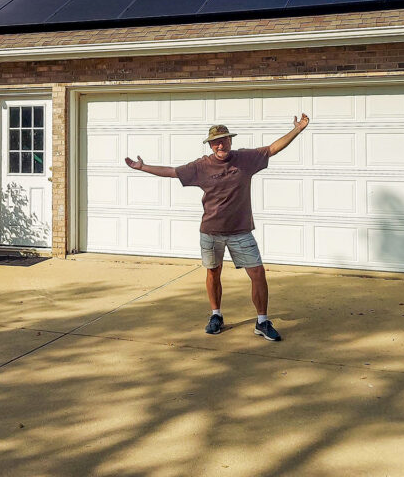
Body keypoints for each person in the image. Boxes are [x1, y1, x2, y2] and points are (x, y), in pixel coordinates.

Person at [124, 115, 309, 340]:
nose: (220, 145)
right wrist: (143, 167)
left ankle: (262, 321)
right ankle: (216, 316)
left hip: (241, 231)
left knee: (258, 273)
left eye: (224, 140)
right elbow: (172, 171)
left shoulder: (245, 159)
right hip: (211, 231)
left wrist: (298, 129)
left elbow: (272, 149)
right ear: (210, 145)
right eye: (215, 142)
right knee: (213, 272)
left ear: (230, 140)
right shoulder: (201, 166)